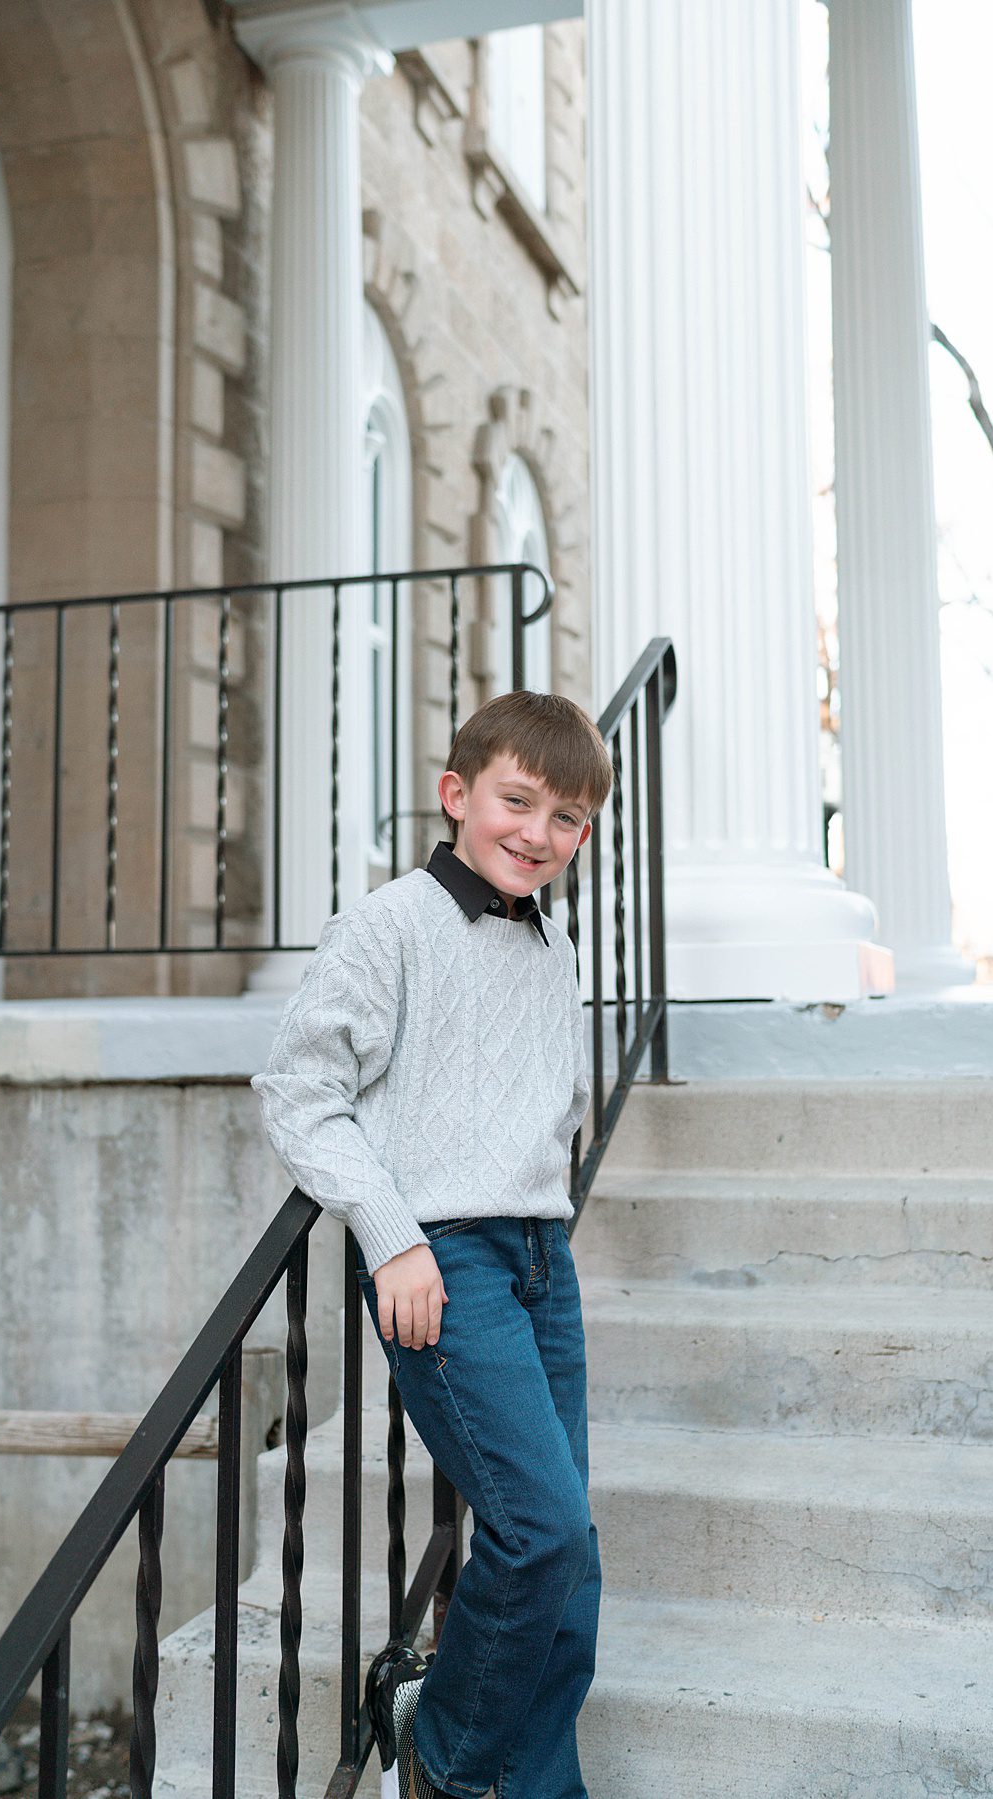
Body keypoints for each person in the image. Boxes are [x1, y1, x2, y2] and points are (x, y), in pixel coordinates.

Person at [253, 688, 615, 1799]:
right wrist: (392, 1235)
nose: (537, 834)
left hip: (541, 1262)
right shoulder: (391, 923)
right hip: (445, 1267)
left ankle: (539, 1782)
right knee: (538, 1528)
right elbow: (301, 1091)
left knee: (573, 1558)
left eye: (566, 819)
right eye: (517, 801)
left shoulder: (550, 941)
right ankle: (446, 1753)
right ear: (458, 795)